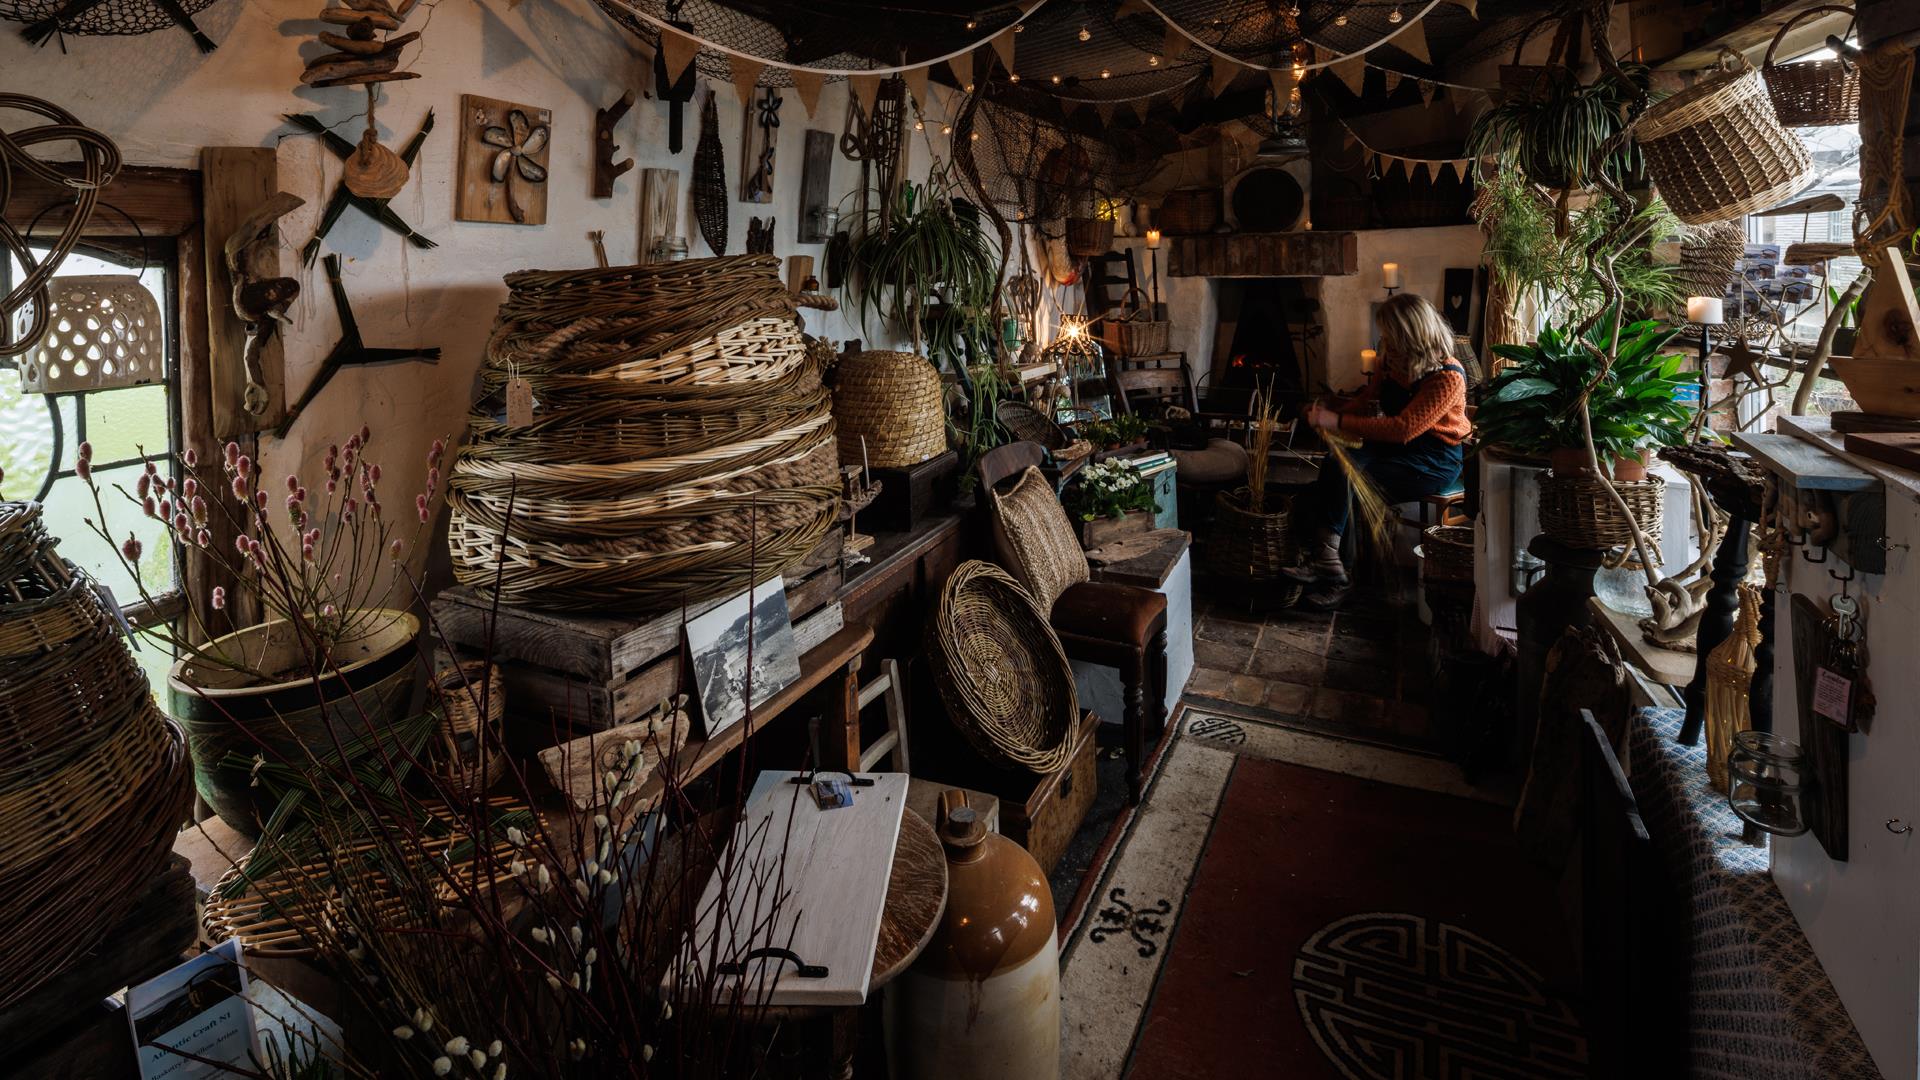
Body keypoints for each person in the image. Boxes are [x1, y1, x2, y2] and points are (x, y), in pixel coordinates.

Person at [1283, 292, 1470, 608]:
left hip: (1433, 459)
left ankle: (1340, 576)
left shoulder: (1448, 376)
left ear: (1411, 334)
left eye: (1390, 334)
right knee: (1336, 463)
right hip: (1393, 449)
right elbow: (1365, 402)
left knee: (1348, 485)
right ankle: (1328, 560)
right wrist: (1329, 412)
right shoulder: (1392, 362)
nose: (1385, 341)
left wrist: (1337, 420)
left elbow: (1403, 428)